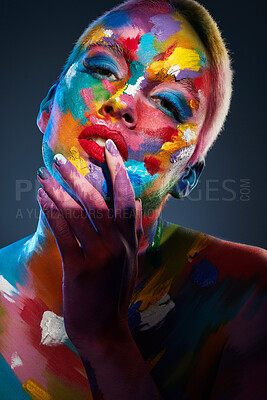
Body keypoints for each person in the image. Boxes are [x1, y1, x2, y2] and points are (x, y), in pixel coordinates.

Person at [0, 0, 266, 399]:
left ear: (189, 174)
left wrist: (104, 339)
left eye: (169, 103)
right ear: (47, 107)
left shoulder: (243, 295)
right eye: (104, 68)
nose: (123, 102)